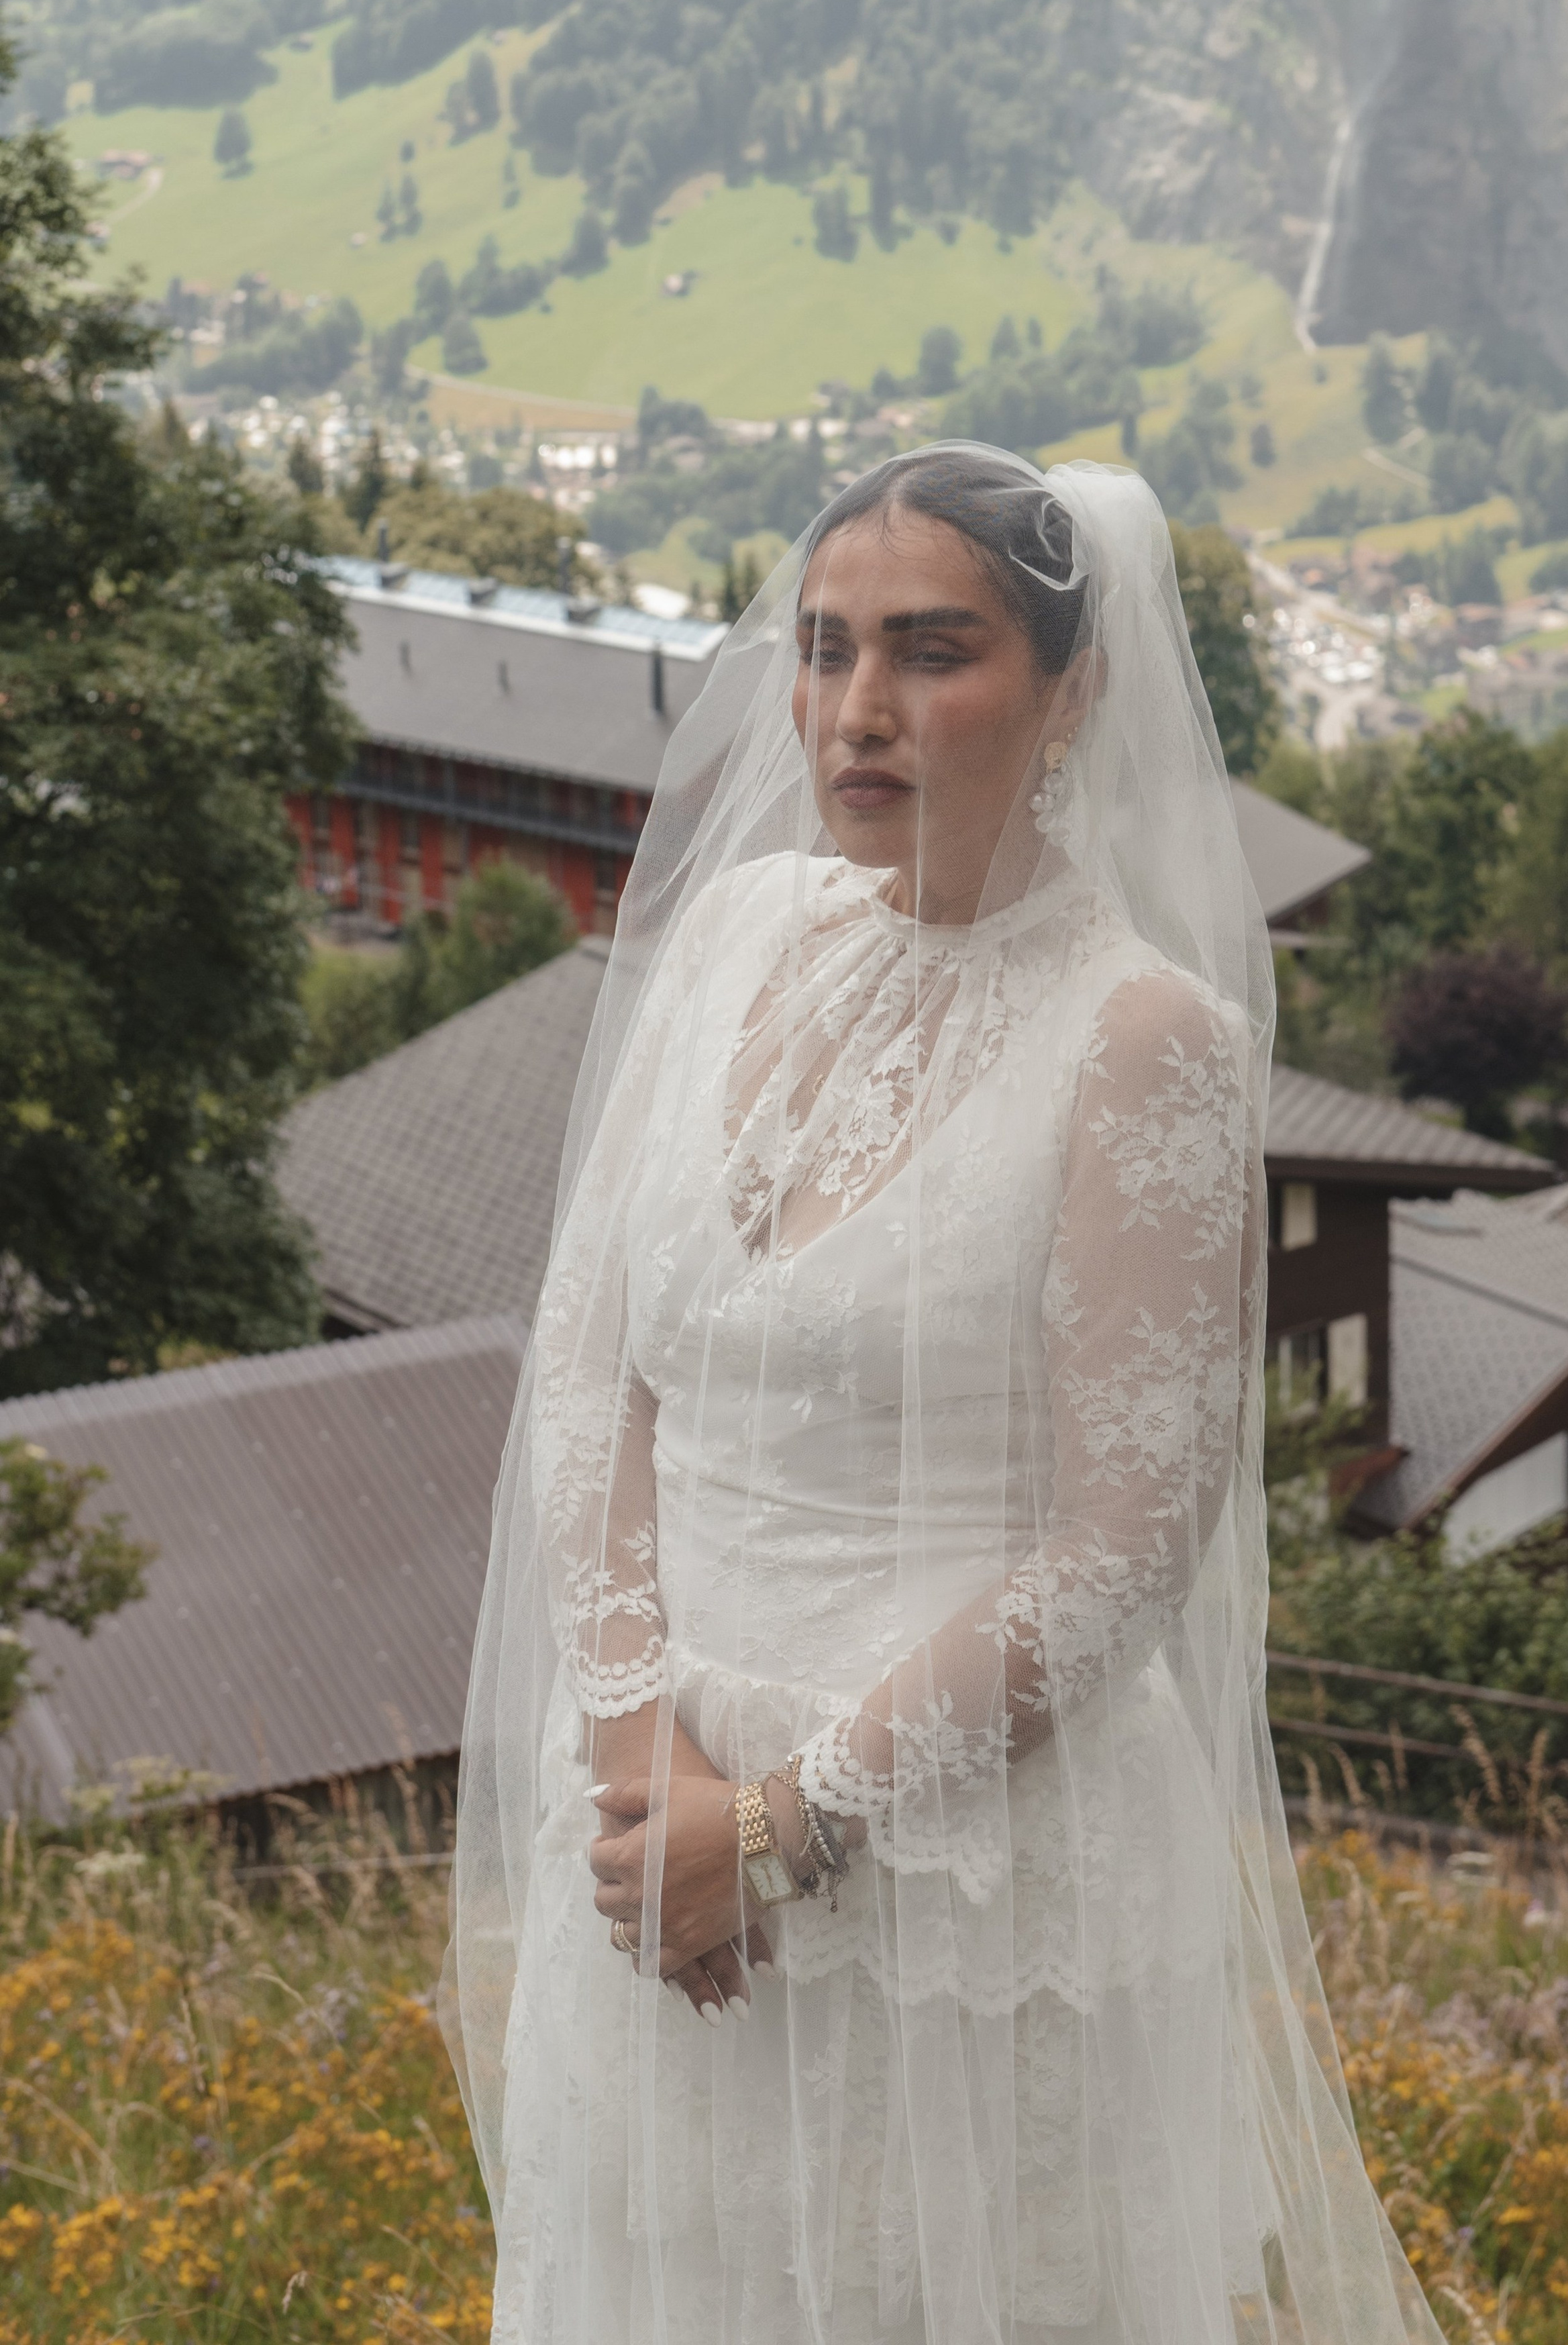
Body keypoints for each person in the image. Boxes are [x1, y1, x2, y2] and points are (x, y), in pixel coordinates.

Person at [443, 445, 1441, 2344]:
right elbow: (589, 1360)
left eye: (931, 649)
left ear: (1074, 692)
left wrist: (783, 1827)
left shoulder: (1143, 1037)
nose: (857, 709)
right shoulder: (733, 932)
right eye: (825, 649)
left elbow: (1128, 1546)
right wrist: (651, 1769)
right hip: (652, 1844)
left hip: (962, 1881)